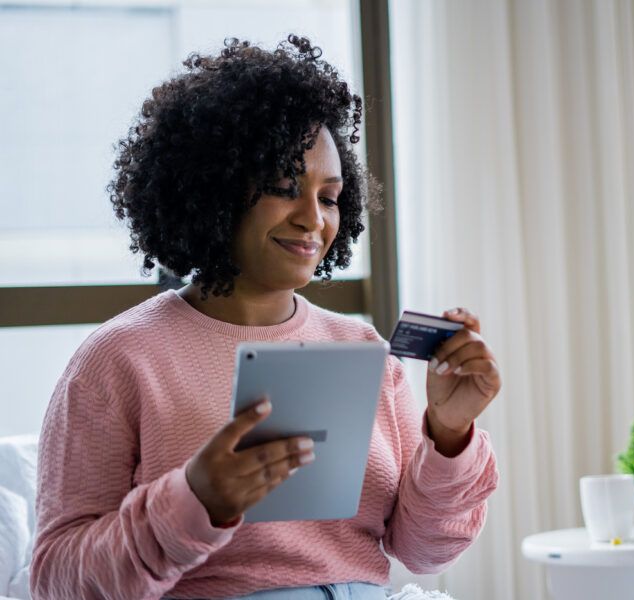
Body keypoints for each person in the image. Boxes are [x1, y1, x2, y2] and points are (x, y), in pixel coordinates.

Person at [30, 35, 500, 600]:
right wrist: (192, 503)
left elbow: (424, 552)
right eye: (283, 188)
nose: (313, 220)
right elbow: (57, 582)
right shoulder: (118, 359)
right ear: (214, 189)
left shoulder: (360, 347)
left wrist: (448, 436)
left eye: (329, 198)